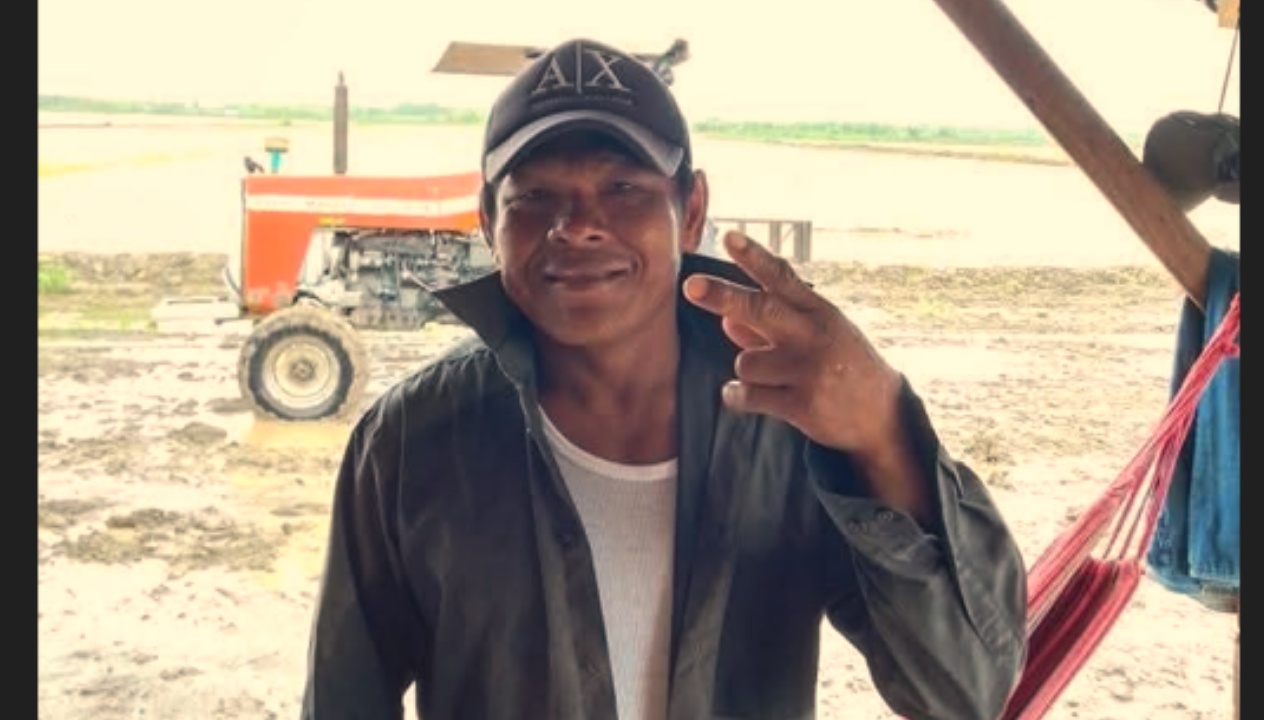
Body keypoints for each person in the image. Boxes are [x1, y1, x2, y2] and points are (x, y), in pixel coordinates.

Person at [301, 38, 1027, 720]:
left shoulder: (790, 421)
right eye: (534, 197)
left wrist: (882, 428)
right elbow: (341, 701)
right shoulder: (410, 441)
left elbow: (964, 692)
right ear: (489, 221)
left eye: (623, 187)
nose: (577, 225)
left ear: (692, 212)